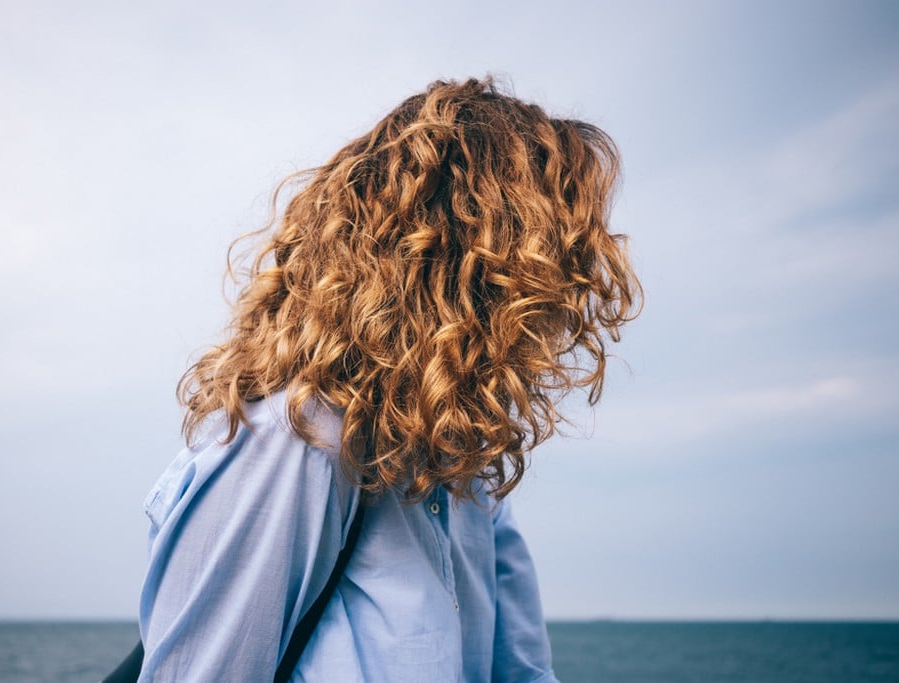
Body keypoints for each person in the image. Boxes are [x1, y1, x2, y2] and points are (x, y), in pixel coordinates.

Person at [135, 76, 642, 682]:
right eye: (549, 252)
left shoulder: (467, 476)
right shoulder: (297, 440)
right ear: (471, 262)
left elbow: (524, 674)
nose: (569, 286)